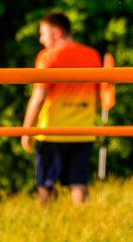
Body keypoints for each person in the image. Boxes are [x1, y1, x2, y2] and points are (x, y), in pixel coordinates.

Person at [21, 12, 101, 204]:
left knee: (45, 186)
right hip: (83, 131)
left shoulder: (47, 58)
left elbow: (39, 97)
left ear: (56, 33)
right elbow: (98, 97)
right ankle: (84, 224)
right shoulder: (92, 56)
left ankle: (45, 227)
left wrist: (26, 131)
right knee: (79, 184)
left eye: (43, 34)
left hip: (52, 132)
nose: (41, 40)